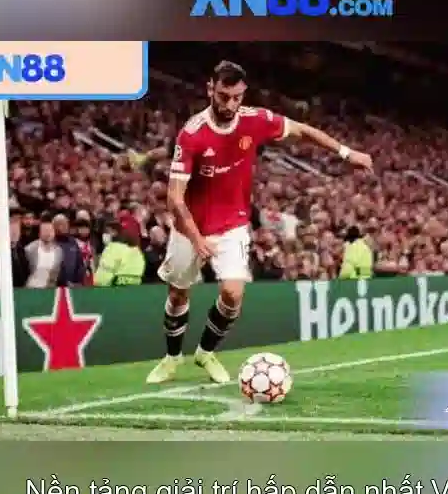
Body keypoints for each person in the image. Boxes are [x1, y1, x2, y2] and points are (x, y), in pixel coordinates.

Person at [143, 61, 373, 384]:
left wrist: (348, 153)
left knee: (233, 294)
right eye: (223, 96)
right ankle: (171, 358)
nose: (230, 105)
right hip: (190, 226)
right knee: (178, 295)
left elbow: (303, 131)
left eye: (237, 97)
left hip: (233, 225)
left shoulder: (255, 120)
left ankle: (205, 353)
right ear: (210, 90)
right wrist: (196, 239)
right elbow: (174, 199)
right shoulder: (192, 134)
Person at [93, 213, 146, 286]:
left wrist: (97, 284)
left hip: (114, 288)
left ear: (115, 232)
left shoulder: (112, 249)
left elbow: (104, 274)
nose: (105, 234)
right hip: (134, 287)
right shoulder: (137, 251)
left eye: (107, 231)